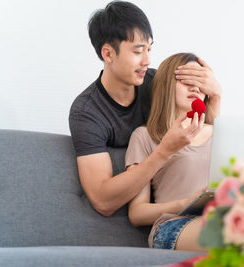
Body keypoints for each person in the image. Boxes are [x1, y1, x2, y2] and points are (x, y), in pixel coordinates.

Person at [68, 1, 221, 217]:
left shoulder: (157, 83)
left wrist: (215, 95)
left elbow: (209, 140)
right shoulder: (87, 112)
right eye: (138, 51)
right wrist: (165, 151)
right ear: (108, 54)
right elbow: (103, 201)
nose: (147, 60)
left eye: (149, 49)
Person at [126, 53, 212, 252]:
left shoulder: (221, 133)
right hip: (174, 226)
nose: (195, 87)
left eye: (200, 81)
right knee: (235, 231)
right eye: (185, 81)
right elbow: (137, 213)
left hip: (220, 216)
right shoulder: (145, 136)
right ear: (165, 86)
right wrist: (186, 202)